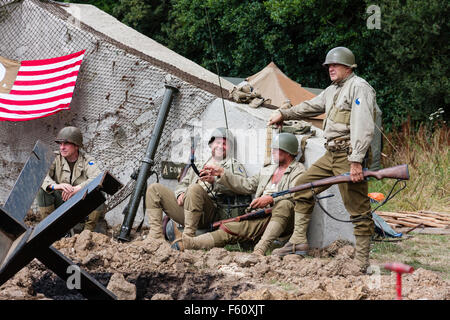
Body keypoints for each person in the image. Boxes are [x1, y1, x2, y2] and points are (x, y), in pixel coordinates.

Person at [268, 47, 377, 272]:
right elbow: (311, 107)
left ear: (348, 67)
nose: (330, 69)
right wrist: (284, 113)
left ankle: (362, 262)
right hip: (331, 155)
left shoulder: (359, 88)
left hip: (348, 156)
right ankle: (298, 242)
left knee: (358, 208)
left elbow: (363, 127)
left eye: (335, 65)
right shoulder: (331, 91)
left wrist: (356, 160)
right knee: (302, 187)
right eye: (328, 66)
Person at [170, 132, 305, 256]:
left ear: (287, 151)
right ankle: (187, 243)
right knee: (227, 229)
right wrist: (222, 174)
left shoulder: (298, 171)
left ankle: (260, 250)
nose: (273, 152)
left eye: (276, 149)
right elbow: (246, 185)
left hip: (280, 217)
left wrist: (271, 199)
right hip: (258, 215)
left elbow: (297, 194)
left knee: (285, 204)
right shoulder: (269, 169)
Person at [145, 127, 247, 240]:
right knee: (154, 189)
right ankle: (155, 237)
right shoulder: (198, 164)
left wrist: (215, 181)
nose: (220, 146)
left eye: (224, 144)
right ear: (211, 144)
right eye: (217, 142)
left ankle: (188, 237)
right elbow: (182, 184)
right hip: (187, 208)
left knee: (194, 189)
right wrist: (180, 194)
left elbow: (242, 187)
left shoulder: (234, 166)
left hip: (209, 213)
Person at [38, 126, 105, 232]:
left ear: (76, 146)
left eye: (66, 144)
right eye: (60, 144)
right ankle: (50, 229)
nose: (62, 147)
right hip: (61, 203)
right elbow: (41, 176)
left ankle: (87, 233)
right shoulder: (55, 158)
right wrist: (56, 186)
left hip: (80, 206)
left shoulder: (87, 161)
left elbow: (98, 178)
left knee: (98, 193)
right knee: (43, 190)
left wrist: (77, 189)